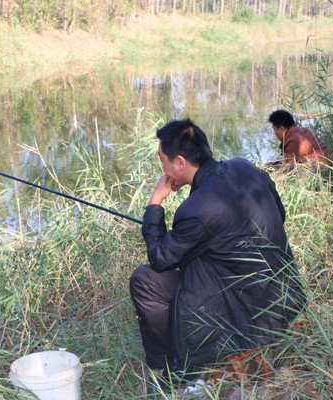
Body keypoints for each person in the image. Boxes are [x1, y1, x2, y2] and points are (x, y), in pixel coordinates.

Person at [129, 119, 305, 384]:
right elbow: (280, 214)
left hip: (249, 310)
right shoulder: (245, 167)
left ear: (179, 162)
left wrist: (155, 202)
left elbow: (161, 258)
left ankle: (171, 369)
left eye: (162, 160)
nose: (161, 168)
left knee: (145, 281)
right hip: (282, 294)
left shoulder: (195, 210)